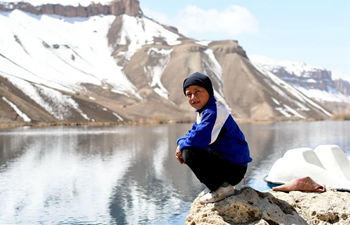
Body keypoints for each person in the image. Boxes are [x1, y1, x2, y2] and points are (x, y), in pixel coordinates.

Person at [175, 71, 252, 203]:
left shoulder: (213, 112)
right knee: (187, 148)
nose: (193, 97)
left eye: (197, 91)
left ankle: (222, 188)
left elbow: (197, 141)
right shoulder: (204, 112)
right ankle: (217, 186)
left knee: (189, 152)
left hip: (234, 169)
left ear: (209, 91)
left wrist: (181, 146)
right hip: (228, 166)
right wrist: (180, 142)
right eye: (189, 94)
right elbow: (192, 133)